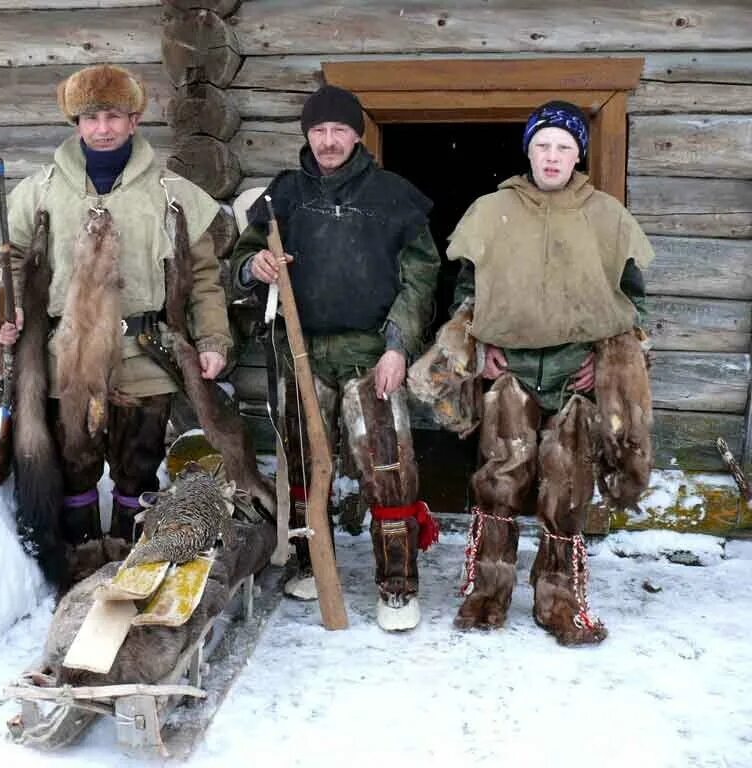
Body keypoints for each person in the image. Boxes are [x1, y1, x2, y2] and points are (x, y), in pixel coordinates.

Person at [0, 64, 232, 580]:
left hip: (143, 352)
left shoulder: (171, 194)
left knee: (137, 465)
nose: (102, 128)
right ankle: (79, 569)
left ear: (134, 118)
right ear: (75, 122)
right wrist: (11, 312)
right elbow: (12, 261)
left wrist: (213, 337)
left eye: (113, 116)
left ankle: (130, 567)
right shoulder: (39, 192)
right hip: (70, 353)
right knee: (75, 464)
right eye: (90, 117)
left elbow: (206, 277)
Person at [231, 85, 441, 631]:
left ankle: (397, 586)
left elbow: (421, 277)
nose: (328, 141)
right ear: (307, 134)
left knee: (388, 469)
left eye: (339, 131)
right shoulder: (282, 196)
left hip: (371, 355)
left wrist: (398, 346)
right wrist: (254, 266)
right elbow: (240, 257)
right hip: (300, 351)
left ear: (357, 135)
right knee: (302, 466)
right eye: (318, 131)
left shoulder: (394, 195)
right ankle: (310, 564)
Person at [446, 100, 655, 645]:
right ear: (529, 151)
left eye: (564, 146)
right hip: (509, 371)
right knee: (499, 482)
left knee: (566, 490)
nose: (553, 156)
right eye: (544, 145)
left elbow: (633, 304)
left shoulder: (607, 216)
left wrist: (606, 362)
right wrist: (480, 341)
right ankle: (487, 593)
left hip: (573, 375)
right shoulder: (493, 211)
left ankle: (558, 598)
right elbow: (467, 292)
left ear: (578, 153)